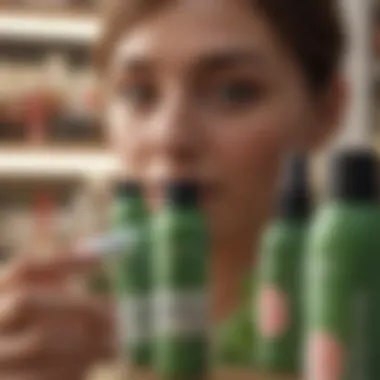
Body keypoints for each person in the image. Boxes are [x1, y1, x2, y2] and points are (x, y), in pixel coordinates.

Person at [0, 0, 346, 378]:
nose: (171, 136)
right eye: (139, 94)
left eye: (234, 92)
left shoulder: (356, 319)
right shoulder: (57, 319)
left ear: (328, 111)